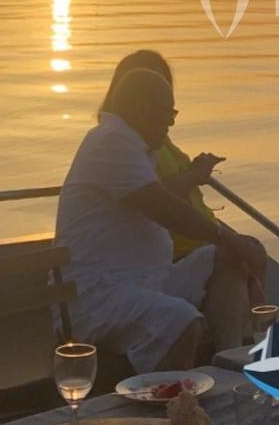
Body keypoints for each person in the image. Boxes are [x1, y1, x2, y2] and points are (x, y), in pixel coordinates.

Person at [55, 68, 267, 373]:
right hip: (98, 295)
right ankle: (173, 400)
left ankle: (228, 365)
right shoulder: (110, 141)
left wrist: (232, 244)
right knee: (180, 321)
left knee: (228, 257)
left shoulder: (137, 147)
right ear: (142, 108)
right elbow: (165, 209)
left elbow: (164, 203)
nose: (171, 122)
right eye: (168, 112)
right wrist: (227, 236)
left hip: (150, 281)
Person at [98, 50, 227, 263]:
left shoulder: (157, 138)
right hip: (176, 249)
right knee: (236, 255)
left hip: (196, 240)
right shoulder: (118, 144)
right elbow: (154, 199)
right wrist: (193, 177)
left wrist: (194, 170)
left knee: (243, 254)